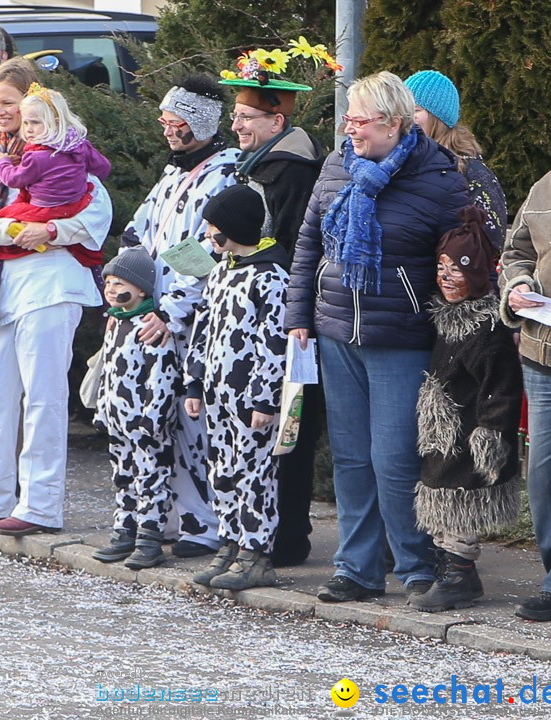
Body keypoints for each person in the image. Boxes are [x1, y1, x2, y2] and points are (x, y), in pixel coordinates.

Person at [285, 71, 469, 603]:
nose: (350, 128)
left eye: (360, 120)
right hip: (337, 329)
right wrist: (300, 315)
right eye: (348, 118)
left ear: (393, 124)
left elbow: (461, 256)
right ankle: (357, 568)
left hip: (402, 336)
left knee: (393, 458)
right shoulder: (337, 164)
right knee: (351, 458)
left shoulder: (438, 176)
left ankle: (414, 564)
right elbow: (307, 245)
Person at [0, 58, 110, 534]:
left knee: (42, 396)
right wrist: (17, 227)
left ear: (34, 103)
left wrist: (52, 230)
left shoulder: (67, 150)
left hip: (50, 283)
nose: (1, 112)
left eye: (10, 103)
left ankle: (40, 505)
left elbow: (95, 215)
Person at [118, 74, 238, 558]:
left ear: (202, 123)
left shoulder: (223, 173)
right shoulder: (172, 174)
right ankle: (167, 517)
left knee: (195, 424)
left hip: (191, 320)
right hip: (153, 317)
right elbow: (137, 232)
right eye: (165, 120)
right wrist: (128, 291)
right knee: (157, 422)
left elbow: (206, 249)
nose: (168, 129)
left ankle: (203, 524)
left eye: (177, 121)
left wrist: (171, 308)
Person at [220, 47, 327, 569]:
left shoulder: (290, 171)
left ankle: (285, 536)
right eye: (236, 114)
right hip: (254, 311)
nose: (235, 124)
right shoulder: (261, 163)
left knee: (288, 426)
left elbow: (288, 246)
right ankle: (251, 531)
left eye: (245, 116)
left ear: (276, 120)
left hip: (281, 317)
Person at [408, 207, 522, 613]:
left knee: (459, 504)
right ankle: (454, 569)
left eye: (457, 268)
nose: (445, 276)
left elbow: (502, 387)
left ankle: (459, 573)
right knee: (439, 500)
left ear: (476, 274)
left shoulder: (487, 328)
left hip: (469, 433)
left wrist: (491, 433)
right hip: (443, 430)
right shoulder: (447, 319)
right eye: (441, 267)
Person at [184, 184, 288, 590]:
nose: (208, 234)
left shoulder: (270, 276)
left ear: (234, 228)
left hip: (250, 399)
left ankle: (257, 552)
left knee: (255, 473)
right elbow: (202, 328)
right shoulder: (222, 272)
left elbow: (274, 341)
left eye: (214, 227)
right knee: (223, 470)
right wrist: (194, 384)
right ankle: (230, 542)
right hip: (216, 393)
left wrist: (265, 396)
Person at [0, 83, 109, 327]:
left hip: (44, 212)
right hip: (75, 204)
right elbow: (103, 168)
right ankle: (104, 297)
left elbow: (14, 179)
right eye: (27, 123)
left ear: (54, 121)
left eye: (35, 123)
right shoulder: (79, 145)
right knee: (90, 252)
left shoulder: (38, 156)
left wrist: (2, 163)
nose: (29, 130)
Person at [499, 165, 551, 622]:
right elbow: (516, 249)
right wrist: (519, 285)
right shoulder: (547, 183)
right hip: (543, 356)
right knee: (543, 480)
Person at [92, 248, 177, 569]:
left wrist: (153, 416)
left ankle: (149, 536)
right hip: (118, 421)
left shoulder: (151, 327)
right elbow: (108, 371)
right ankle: (124, 530)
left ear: (141, 289)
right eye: (108, 283)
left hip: (146, 423)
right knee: (123, 476)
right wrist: (102, 410)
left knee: (151, 478)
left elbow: (163, 376)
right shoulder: (115, 322)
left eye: (119, 283)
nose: (111, 289)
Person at [405, 70, 507, 254]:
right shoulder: (400, 165)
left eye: (415, 111)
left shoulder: (473, 174)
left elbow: (490, 243)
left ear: (438, 118)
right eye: (402, 111)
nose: (406, 119)